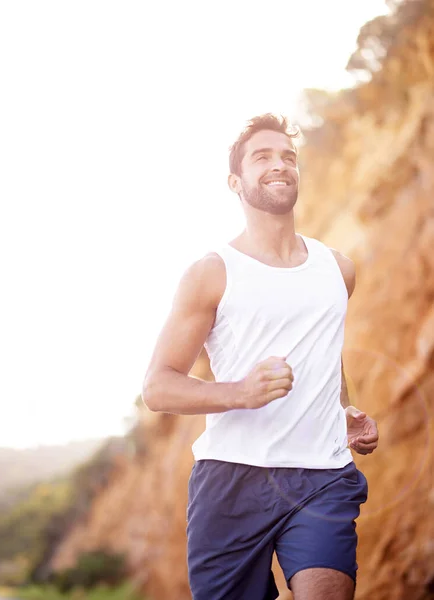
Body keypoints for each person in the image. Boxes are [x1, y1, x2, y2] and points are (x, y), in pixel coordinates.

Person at [142, 113, 379, 600]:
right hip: (231, 480)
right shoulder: (211, 273)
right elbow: (158, 386)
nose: (280, 165)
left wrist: (344, 409)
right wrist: (239, 393)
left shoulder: (338, 269)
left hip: (323, 475)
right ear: (236, 181)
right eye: (263, 156)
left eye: (288, 156)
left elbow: (326, 354)